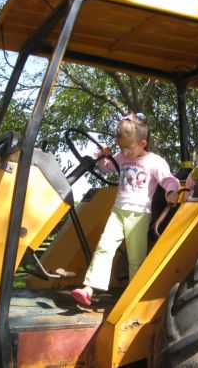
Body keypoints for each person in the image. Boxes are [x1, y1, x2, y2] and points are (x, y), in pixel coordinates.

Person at [70, 113, 180, 306]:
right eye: (120, 147)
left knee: (136, 257)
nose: (123, 151)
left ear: (142, 143)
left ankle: (133, 295)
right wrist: (103, 154)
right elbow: (106, 167)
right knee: (104, 247)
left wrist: (172, 190)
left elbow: (169, 179)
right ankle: (89, 288)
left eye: (127, 147)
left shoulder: (155, 162)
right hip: (118, 211)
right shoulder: (121, 157)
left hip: (139, 215)